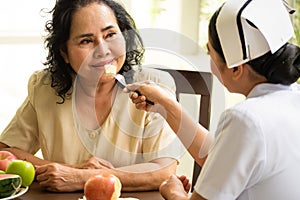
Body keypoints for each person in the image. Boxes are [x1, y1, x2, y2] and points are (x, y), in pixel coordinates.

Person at [0, 0, 185, 192]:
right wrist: (69, 171)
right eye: (86, 41)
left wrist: (82, 178)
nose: (103, 50)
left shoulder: (155, 85)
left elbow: (164, 171)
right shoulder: (45, 87)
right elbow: (4, 153)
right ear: (64, 52)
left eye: (111, 35)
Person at [127, 0, 300, 199]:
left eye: (210, 52)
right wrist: (166, 106)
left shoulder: (246, 119)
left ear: (236, 69)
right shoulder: (289, 101)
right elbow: (224, 158)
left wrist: (173, 192)